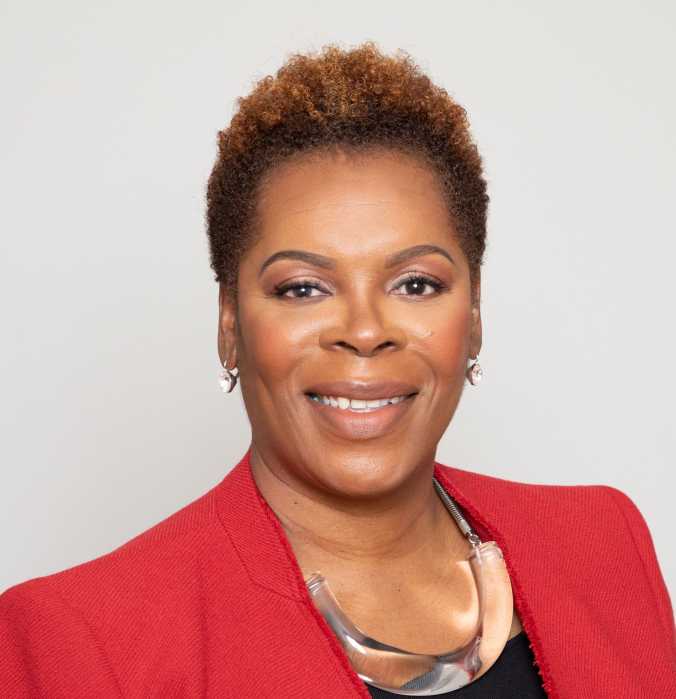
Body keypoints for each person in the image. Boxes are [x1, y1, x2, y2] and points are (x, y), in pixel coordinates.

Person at [1, 41, 674, 698]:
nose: (365, 330)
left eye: (415, 284)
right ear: (230, 325)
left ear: (473, 317)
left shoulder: (601, 544)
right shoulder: (79, 641)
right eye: (303, 288)